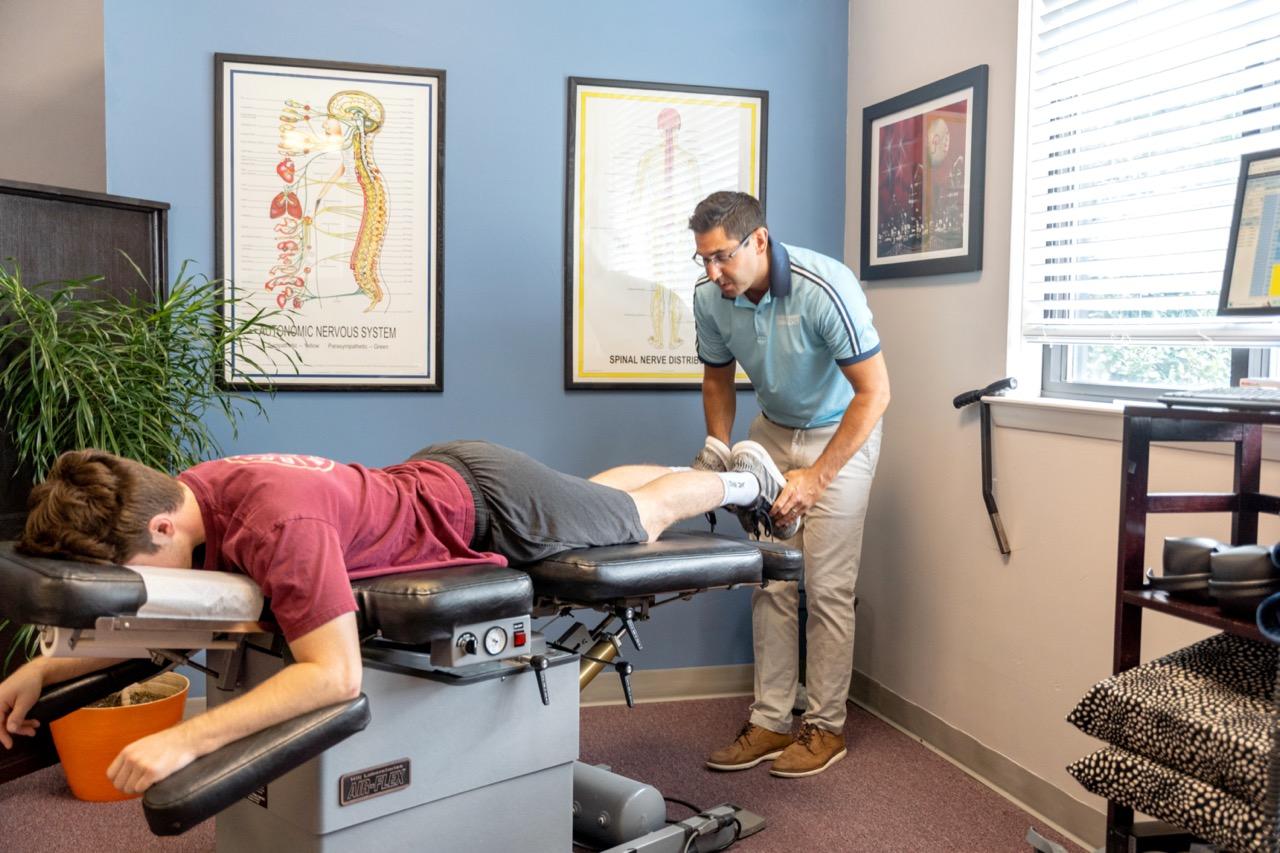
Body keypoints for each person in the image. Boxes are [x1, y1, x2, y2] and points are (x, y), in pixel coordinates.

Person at [0, 439, 790, 795]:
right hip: (454, 474)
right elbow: (183, 617)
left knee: (639, 517)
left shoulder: (276, 523)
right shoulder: (192, 492)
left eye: (131, 575)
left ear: (161, 529)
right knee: (598, 501)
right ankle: (704, 462)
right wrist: (48, 664)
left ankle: (738, 483)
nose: (144, 593)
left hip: (493, 509)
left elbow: (334, 675)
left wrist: (183, 735)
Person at [688, 191, 890, 778]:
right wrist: (721, 452)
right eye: (702, 259)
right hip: (771, 435)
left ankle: (824, 728)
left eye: (722, 256)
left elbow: (875, 393)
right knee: (772, 582)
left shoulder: (824, 286)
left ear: (759, 240)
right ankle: (771, 720)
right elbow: (717, 380)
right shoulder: (711, 298)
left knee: (826, 587)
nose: (712, 272)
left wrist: (818, 476)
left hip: (840, 436)